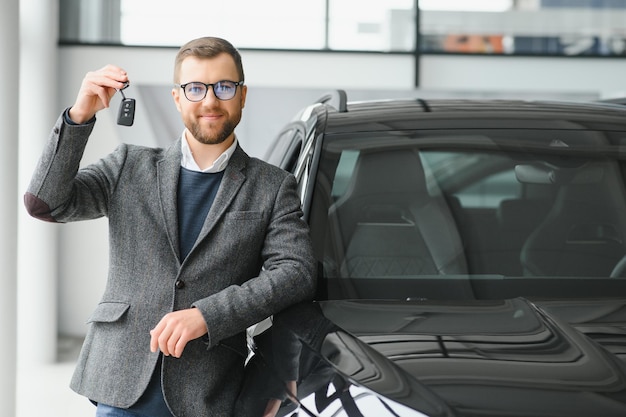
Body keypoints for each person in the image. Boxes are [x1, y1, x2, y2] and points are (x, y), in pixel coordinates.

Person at [24, 36, 317, 417]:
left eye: (224, 87)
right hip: (120, 384)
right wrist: (79, 118)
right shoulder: (128, 165)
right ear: (178, 98)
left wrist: (208, 314)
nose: (210, 100)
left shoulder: (272, 186)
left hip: (206, 392)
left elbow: (296, 272)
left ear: (242, 96)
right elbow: (45, 203)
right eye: (195, 88)